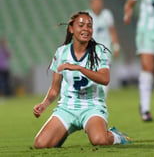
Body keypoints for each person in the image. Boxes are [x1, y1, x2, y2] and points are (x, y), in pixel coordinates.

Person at [33, 11, 131, 148]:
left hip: (92, 106)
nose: (86, 29)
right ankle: (61, 134)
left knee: (100, 140)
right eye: (81, 25)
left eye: (89, 26)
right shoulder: (61, 52)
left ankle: (117, 136)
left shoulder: (98, 51)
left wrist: (79, 68)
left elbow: (105, 79)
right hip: (67, 107)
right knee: (40, 144)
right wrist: (43, 105)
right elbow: (55, 88)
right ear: (71, 29)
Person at [87, 0, 120, 96]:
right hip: (91, 50)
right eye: (96, 2)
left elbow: (112, 31)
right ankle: (93, 98)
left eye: (99, 2)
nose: (98, 4)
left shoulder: (107, 14)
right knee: (92, 75)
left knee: (104, 74)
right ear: (91, 4)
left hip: (105, 49)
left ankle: (102, 99)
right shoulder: (87, 16)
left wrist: (116, 46)